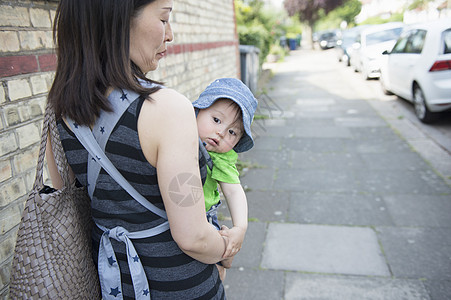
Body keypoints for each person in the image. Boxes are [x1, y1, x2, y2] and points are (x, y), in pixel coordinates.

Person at [45, 0, 231, 298]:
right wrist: (226, 248)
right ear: (118, 20)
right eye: (164, 19)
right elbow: (194, 237)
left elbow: (70, 205)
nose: (169, 34)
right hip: (181, 288)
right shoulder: (167, 108)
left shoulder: (60, 109)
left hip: (110, 284)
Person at [193, 78, 258, 280]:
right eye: (216, 120)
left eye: (232, 132)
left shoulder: (221, 157)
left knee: (214, 268)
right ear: (197, 112)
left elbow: (233, 191)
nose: (220, 132)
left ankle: (226, 256)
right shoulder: (177, 136)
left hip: (204, 216)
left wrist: (240, 228)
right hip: (174, 210)